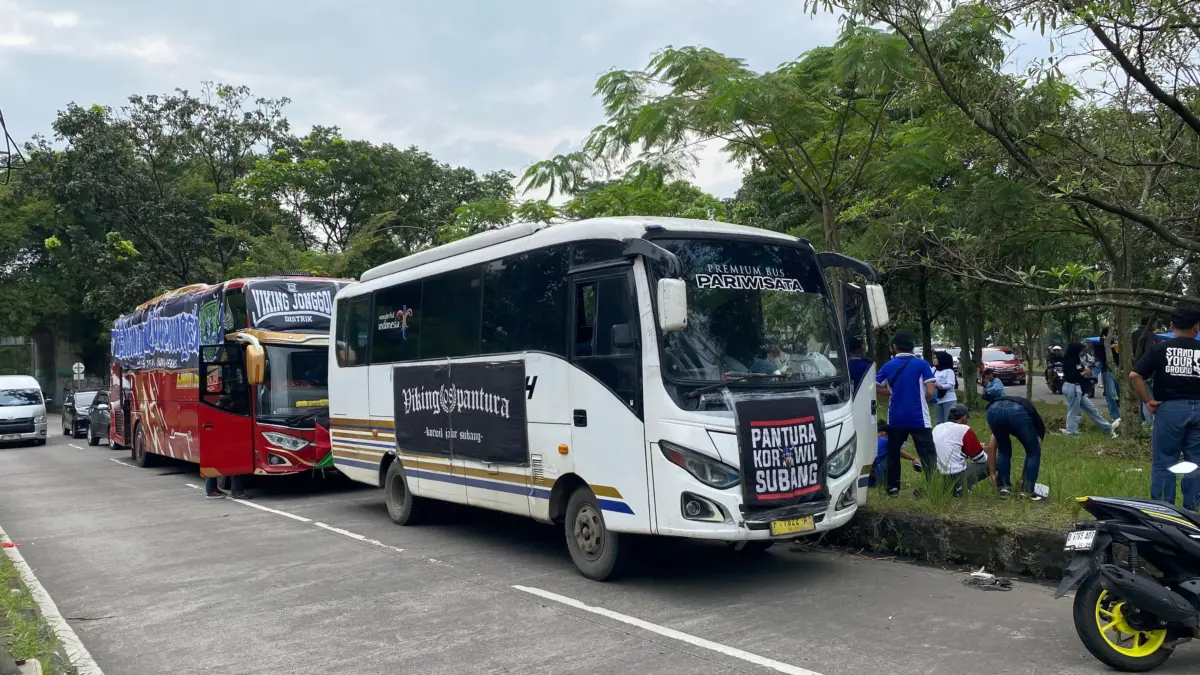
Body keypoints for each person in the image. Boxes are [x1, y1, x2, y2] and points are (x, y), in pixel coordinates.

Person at [1130, 306, 1200, 510]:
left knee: (1164, 462)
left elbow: (1135, 376)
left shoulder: (1160, 349)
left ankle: (1163, 512)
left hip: (1170, 410)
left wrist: (1148, 401)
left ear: (1171, 326)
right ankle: (1193, 512)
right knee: (1196, 462)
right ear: (1197, 328)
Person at [875, 330, 938, 496]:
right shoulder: (922, 364)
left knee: (893, 452)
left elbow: (875, 386)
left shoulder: (887, 366)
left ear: (895, 347)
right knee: (927, 453)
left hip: (895, 418)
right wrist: (921, 398)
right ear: (912, 347)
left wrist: (892, 393)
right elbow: (931, 392)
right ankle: (934, 487)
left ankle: (893, 488)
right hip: (919, 417)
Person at [986, 393, 1047, 500]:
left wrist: (993, 474)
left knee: (1003, 448)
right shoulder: (1039, 428)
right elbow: (1034, 451)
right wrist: (1025, 480)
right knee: (1033, 451)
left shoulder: (1000, 413)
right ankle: (1026, 492)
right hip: (1017, 410)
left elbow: (992, 446)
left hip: (993, 409)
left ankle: (1004, 488)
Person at [930, 404, 993, 496]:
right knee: (991, 462)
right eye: (967, 418)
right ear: (963, 418)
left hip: (939, 473)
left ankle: (942, 488)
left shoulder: (937, 428)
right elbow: (980, 458)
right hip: (956, 473)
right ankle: (961, 487)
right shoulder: (964, 429)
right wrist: (982, 450)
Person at [1062, 342, 1118, 437]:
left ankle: (1107, 427)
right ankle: (1071, 432)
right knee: (1074, 411)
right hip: (1072, 387)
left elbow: (1083, 369)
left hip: (1079, 388)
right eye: (1080, 350)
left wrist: (1086, 370)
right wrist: (1084, 372)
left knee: (1091, 409)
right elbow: (1072, 376)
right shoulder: (1068, 362)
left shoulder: (1077, 360)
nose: (1081, 352)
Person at [870, 419, 922, 488]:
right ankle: (890, 483)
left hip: (868, 477)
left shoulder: (872, 440)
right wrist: (914, 459)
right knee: (892, 453)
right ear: (884, 433)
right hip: (878, 477)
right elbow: (899, 452)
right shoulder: (884, 440)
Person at [1098, 328, 1121, 419]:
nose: (1114, 336)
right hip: (1107, 370)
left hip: (1117, 370)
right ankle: (1114, 415)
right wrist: (1108, 346)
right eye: (1112, 334)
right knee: (1110, 394)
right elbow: (1101, 357)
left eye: (1115, 334)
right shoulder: (1100, 345)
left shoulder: (1117, 345)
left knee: (1121, 393)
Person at [933, 351, 958, 425]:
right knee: (939, 422)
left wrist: (940, 386)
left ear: (941, 359)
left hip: (949, 399)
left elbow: (951, 385)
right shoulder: (934, 370)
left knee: (948, 422)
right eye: (933, 358)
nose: (933, 360)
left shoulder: (949, 371)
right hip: (938, 399)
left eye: (935, 358)